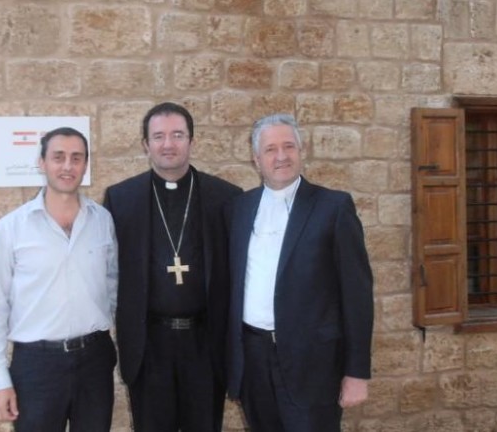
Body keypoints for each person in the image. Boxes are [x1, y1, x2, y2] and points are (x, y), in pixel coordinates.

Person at [226, 113, 374, 432]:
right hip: (254, 361)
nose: (281, 156)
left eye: (289, 146)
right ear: (256, 160)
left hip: (313, 366)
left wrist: (357, 372)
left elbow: (357, 295)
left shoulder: (333, 207)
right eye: (270, 149)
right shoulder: (239, 208)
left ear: (301, 151)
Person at [103, 102, 242, 432]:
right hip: (149, 344)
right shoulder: (121, 198)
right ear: (146, 144)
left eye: (178, 135)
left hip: (205, 344)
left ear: (192, 141)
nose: (168, 144)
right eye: (159, 136)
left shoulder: (226, 197)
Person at [0, 127, 118, 432]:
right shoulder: (11, 228)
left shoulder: (102, 221)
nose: (67, 166)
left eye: (76, 158)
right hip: (36, 367)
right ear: (42, 163)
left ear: (85, 165)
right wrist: (0, 380)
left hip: (95, 361)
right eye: (58, 157)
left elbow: (112, 285)